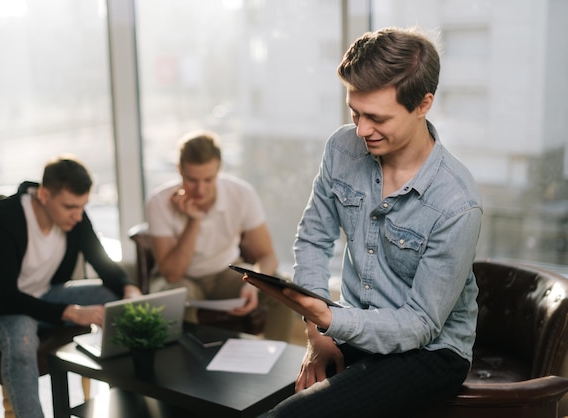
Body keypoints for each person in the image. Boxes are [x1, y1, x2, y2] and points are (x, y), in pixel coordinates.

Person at [244, 27, 483, 417]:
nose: (361, 130)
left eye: (376, 117)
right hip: (356, 323)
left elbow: (420, 323)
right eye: (354, 113)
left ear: (423, 104)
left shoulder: (457, 203)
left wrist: (330, 319)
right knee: (260, 401)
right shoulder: (342, 148)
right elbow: (313, 238)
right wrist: (316, 331)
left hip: (431, 350)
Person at [0, 155, 142, 418]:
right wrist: (72, 312)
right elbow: (6, 298)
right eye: (70, 207)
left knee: (113, 297)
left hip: (43, 298)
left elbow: (101, 261)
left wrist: (129, 289)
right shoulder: (5, 219)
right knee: (22, 329)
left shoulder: (74, 217)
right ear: (43, 194)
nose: (78, 216)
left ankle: (129, 403)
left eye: (82, 206)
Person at [145, 130, 294, 341]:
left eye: (208, 179)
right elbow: (172, 274)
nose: (200, 189)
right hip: (181, 279)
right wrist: (193, 221)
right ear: (179, 170)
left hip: (226, 272)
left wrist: (253, 283)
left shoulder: (241, 194)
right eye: (192, 180)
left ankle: (279, 364)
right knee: (174, 298)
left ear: (219, 170)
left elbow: (267, 256)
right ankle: (189, 370)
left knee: (282, 289)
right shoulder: (158, 202)